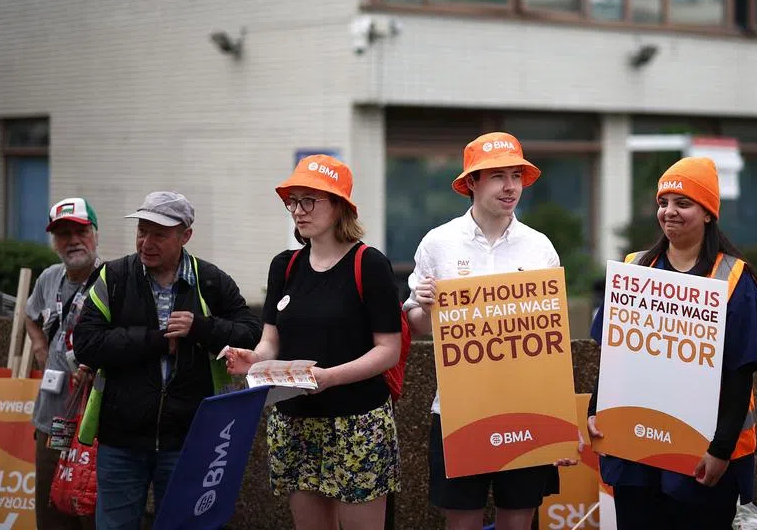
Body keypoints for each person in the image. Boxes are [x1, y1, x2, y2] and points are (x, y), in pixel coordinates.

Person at [586, 157, 757, 530]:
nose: (669, 212)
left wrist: (720, 450)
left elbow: (741, 375)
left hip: (701, 456)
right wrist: (596, 409)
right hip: (635, 452)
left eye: (682, 203)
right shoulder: (635, 268)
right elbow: (614, 356)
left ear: (708, 213)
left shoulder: (736, 280)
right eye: (663, 203)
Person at [223, 155, 403, 530]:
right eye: (293, 201)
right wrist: (251, 357)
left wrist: (330, 377)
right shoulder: (284, 265)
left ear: (338, 207)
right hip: (295, 422)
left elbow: (389, 350)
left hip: (358, 423)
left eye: (309, 201)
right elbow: (271, 341)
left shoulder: (368, 264)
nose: (297, 211)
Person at [403, 132, 565, 530]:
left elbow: (552, 339)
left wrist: (560, 419)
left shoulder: (539, 247)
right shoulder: (438, 243)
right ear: (472, 182)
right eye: (497, 176)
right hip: (459, 407)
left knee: (518, 517)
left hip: (526, 405)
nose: (511, 186)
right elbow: (417, 327)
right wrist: (423, 307)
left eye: (516, 175)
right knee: (462, 518)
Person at [72, 191, 262, 530]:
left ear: (185, 235)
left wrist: (200, 327)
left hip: (188, 439)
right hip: (121, 441)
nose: (146, 242)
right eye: (142, 231)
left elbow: (250, 333)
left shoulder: (210, 280)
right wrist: (157, 340)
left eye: (159, 234)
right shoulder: (113, 277)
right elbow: (86, 343)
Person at [24, 198, 103, 530]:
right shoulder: (49, 278)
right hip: (51, 419)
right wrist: (40, 345)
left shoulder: (111, 280)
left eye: (80, 232)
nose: (72, 241)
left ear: (95, 234)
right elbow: (29, 316)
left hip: (93, 424)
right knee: (51, 513)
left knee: (92, 513)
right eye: (62, 234)